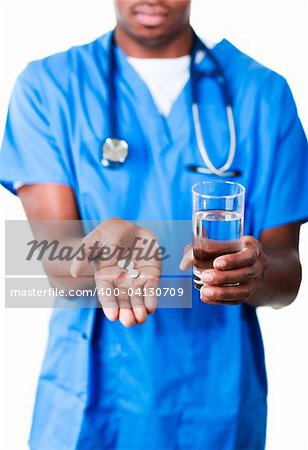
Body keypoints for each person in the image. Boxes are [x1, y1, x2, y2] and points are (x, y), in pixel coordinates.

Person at [0, 0, 307, 449]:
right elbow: (54, 260)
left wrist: (255, 273)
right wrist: (103, 251)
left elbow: (287, 270)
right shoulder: (49, 87)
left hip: (216, 401)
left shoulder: (262, 93)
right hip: (90, 403)